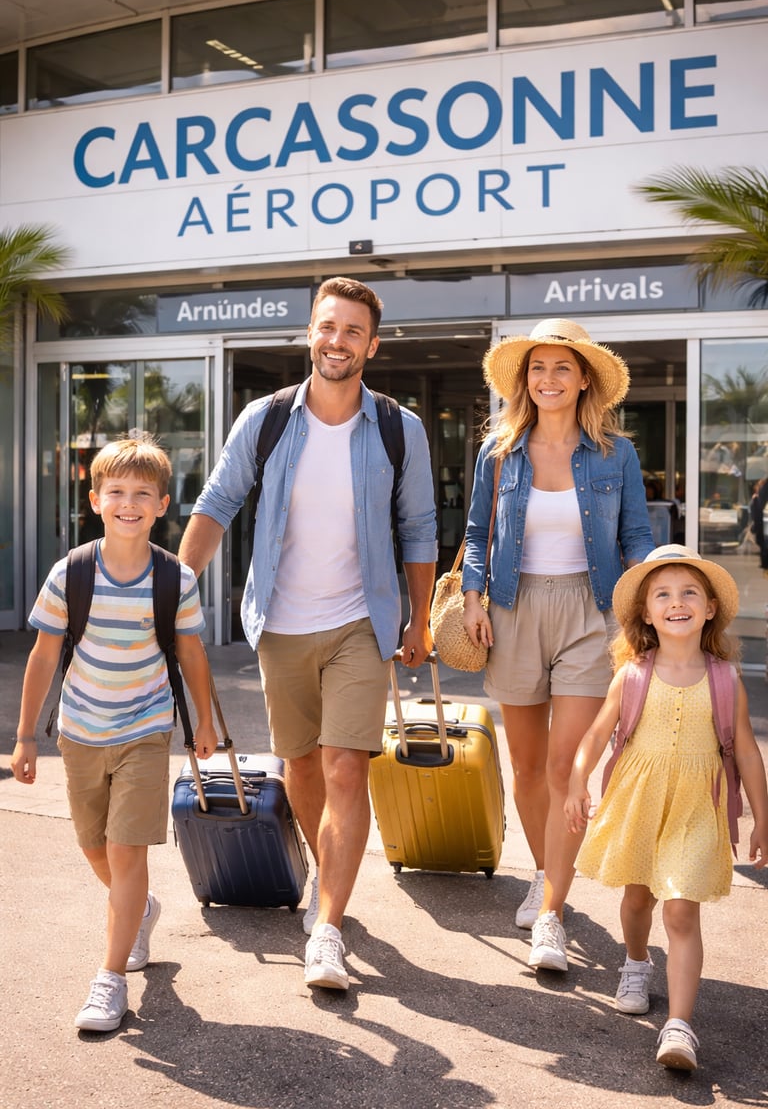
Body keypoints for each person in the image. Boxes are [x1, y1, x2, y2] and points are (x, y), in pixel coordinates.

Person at [178, 276, 437, 992]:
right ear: (310, 333)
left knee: (346, 765)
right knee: (300, 768)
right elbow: (219, 501)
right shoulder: (264, 419)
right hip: (280, 624)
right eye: (328, 327)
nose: (337, 341)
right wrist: (176, 585)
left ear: (372, 346)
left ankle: (328, 927)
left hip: (362, 620)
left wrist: (418, 617)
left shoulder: (396, 427)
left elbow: (418, 526)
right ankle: (330, 876)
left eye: (353, 331)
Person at [462, 317, 655, 972]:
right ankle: (547, 871)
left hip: (587, 611)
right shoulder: (499, 450)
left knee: (567, 767)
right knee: (527, 768)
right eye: (537, 369)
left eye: (562, 369)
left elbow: (635, 535)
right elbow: (474, 534)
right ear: (525, 379)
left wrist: (649, 606)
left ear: (583, 381)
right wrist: (471, 596)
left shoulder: (615, 453)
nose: (548, 380)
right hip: (513, 612)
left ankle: (549, 912)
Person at [10, 434, 217, 1033]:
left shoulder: (174, 577)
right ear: (96, 499)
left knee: (127, 850)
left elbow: (191, 652)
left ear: (161, 504)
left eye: (143, 494)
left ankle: (110, 980)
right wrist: (26, 735)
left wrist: (202, 721)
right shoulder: (70, 572)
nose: (129, 503)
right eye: (117, 492)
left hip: (146, 727)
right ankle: (141, 910)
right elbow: (45, 656)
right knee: (94, 845)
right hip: (79, 730)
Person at [565, 545, 768, 1071]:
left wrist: (763, 817)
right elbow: (595, 734)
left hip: (698, 809)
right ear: (648, 614)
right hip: (641, 802)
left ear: (708, 609)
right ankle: (635, 961)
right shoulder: (632, 675)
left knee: (679, 907)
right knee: (638, 900)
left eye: (688, 593)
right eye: (663, 595)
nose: (676, 602)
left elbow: (745, 750)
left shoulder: (725, 679)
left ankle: (679, 1026)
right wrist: (575, 781)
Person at [749, 476, 768, 572]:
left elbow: (757, 511)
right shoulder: (762, 492)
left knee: (764, 544)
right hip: (763, 522)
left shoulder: (762, 492)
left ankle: (765, 564)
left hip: (763, 522)